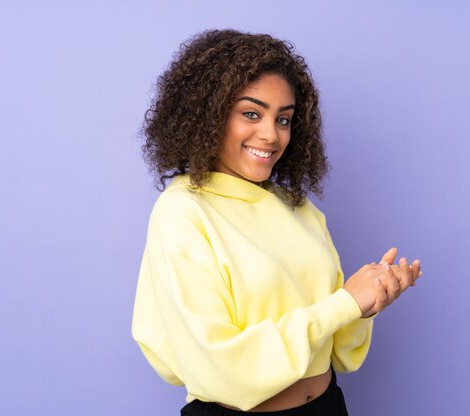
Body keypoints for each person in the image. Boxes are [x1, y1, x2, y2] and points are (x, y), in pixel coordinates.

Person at [131, 29, 422, 415]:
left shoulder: (297, 208)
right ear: (209, 115)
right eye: (251, 113)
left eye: (283, 119)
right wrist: (345, 303)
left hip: (327, 405)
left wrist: (364, 306)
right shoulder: (183, 211)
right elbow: (221, 368)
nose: (271, 135)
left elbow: (339, 353)